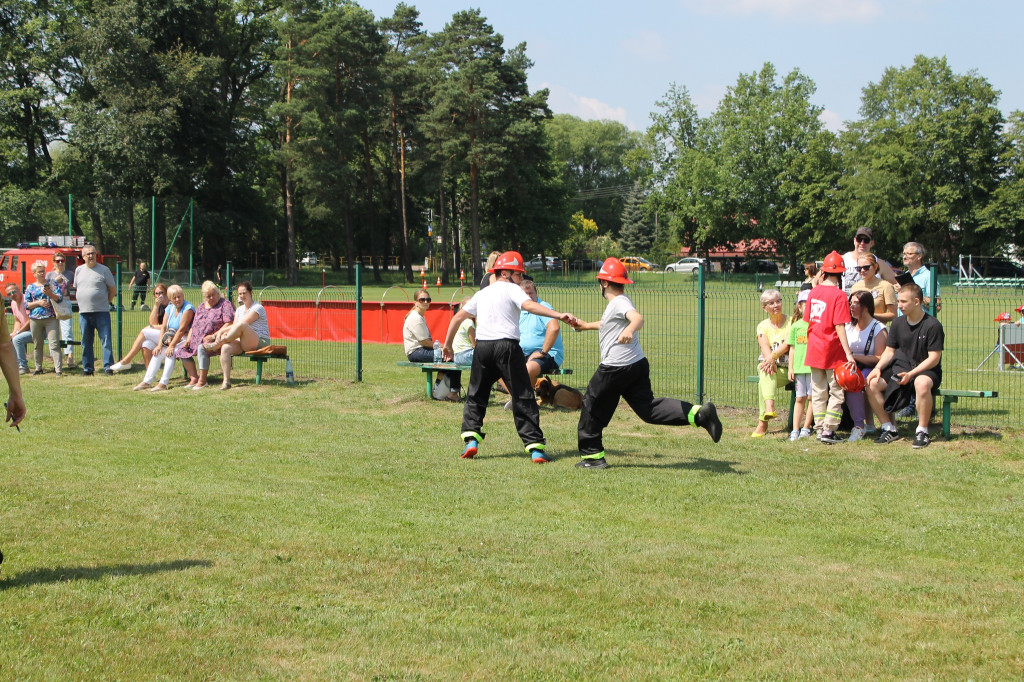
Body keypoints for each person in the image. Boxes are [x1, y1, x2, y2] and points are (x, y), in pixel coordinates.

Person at [568, 257, 722, 468]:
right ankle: (700, 414)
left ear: (603, 283)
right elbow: (607, 324)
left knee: (591, 405)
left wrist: (630, 329)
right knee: (648, 409)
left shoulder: (619, 302)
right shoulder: (620, 301)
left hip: (616, 367)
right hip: (636, 365)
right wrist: (583, 325)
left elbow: (637, 318)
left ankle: (593, 458)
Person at [441, 251, 575, 463]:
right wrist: (558, 315)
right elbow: (529, 305)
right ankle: (536, 449)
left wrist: (447, 345)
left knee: (476, 394)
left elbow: (458, 317)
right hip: (507, 347)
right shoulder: (512, 289)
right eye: (519, 274)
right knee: (523, 395)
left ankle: (471, 440)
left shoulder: (482, 293)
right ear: (505, 272)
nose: (521, 279)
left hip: (483, 348)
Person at [864, 283, 944, 449]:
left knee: (921, 383)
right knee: (871, 382)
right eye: (898, 301)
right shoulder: (898, 323)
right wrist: (878, 368)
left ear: (916, 302)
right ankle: (889, 428)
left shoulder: (933, 325)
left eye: (903, 301)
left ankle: (922, 431)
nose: (899, 305)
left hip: (926, 370)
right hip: (900, 368)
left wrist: (912, 374)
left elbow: (934, 358)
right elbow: (889, 351)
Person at [805, 251, 856, 444]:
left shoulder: (813, 292)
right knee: (836, 390)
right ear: (841, 273)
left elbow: (808, 320)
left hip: (814, 348)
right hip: (832, 349)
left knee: (818, 390)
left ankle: (819, 428)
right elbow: (840, 325)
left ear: (824, 271)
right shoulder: (839, 295)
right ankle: (829, 429)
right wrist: (849, 354)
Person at [202, 281, 272, 390]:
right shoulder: (239, 310)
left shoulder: (258, 308)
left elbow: (242, 324)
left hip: (260, 342)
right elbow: (234, 327)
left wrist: (221, 333)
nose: (242, 296)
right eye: (240, 294)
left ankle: (217, 345)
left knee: (242, 324)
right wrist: (222, 332)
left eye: (244, 293)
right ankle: (226, 381)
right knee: (225, 348)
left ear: (251, 292)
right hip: (243, 342)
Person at [134, 284, 195, 391]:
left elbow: (181, 330)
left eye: (179, 296)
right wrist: (159, 345)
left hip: (186, 338)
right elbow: (164, 327)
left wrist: (171, 346)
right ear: (170, 298)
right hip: (172, 338)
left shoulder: (188, 308)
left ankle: (163, 383)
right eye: (174, 297)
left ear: (183, 296)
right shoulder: (170, 308)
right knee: (158, 352)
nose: (177, 299)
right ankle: (147, 381)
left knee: (170, 352)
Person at [175, 280, 234, 389]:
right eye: (208, 296)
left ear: (218, 293)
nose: (211, 298)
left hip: (215, 340)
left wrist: (214, 335)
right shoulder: (201, 307)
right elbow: (194, 325)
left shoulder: (225, 304)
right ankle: (194, 378)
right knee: (181, 350)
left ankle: (203, 381)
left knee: (202, 348)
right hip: (196, 339)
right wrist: (188, 339)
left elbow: (229, 323)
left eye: (213, 295)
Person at [845, 290, 887, 442]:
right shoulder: (848, 326)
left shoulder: (878, 328)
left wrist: (855, 357)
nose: (852, 306)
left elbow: (880, 358)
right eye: (851, 303)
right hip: (850, 366)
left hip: (871, 366)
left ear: (867, 306)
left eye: (856, 303)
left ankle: (859, 426)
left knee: (853, 382)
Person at [404, 289, 460, 401]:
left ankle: (439, 392)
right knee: (451, 357)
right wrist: (443, 347)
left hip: (420, 351)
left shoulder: (420, 316)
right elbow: (424, 342)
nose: (425, 302)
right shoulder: (416, 318)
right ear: (415, 302)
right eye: (422, 299)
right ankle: (452, 393)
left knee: (449, 357)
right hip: (417, 353)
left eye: (428, 299)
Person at [751, 288, 790, 438]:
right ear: (764, 308)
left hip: (788, 369)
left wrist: (772, 358)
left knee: (763, 377)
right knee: (765, 371)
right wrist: (770, 360)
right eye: (771, 303)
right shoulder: (762, 326)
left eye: (778, 301)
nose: (776, 305)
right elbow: (764, 345)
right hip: (770, 367)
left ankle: (763, 422)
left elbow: (787, 344)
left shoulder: (791, 321)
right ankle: (768, 409)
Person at [74, 244, 117, 375]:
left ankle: (108, 367)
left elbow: (112, 290)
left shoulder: (104, 270)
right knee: (86, 342)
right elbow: (77, 288)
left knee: (106, 341)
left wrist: (105, 302)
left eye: (93, 253)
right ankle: (88, 369)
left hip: (101, 312)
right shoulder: (79, 270)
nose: (91, 256)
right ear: (83, 256)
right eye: (88, 254)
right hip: (84, 313)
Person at [110, 283, 170, 371]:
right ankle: (149, 375)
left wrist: (151, 327)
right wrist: (156, 306)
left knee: (144, 331)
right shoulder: (159, 306)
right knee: (146, 344)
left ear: (166, 292)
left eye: (161, 292)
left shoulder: (171, 305)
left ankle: (126, 361)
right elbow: (153, 322)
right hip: (160, 334)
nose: (159, 295)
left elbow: (168, 326)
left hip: (170, 336)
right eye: (156, 294)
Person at [24, 261, 64, 376]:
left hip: (50, 318)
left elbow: (59, 298)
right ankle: (38, 368)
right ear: (34, 274)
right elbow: (26, 304)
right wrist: (38, 303)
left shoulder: (52, 283)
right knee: (37, 344)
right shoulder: (30, 287)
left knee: (54, 343)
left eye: (43, 271)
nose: (42, 274)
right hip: (35, 319)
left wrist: (50, 294)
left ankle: (58, 369)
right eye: (39, 272)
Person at [786, 288, 814, 441]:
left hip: (813, 368)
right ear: (799, 307)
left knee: (812, 398)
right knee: (799, 398)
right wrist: (791, 367)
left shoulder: (817, 325)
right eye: (804, 304)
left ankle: (806, 428)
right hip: (799, 368)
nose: (807, 308)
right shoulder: (796, 326)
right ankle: (795, 429)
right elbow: (792, 348)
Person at [842, 227, 896, 293]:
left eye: (866, 240)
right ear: (854, 240)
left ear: (872, 243)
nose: (862, 243)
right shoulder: (842, 260)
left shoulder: (879, 263)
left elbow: (898, 283)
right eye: (859, 239)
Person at [46, 252, 75, 368]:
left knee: (67, 329)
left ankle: (69, 356)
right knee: (52, 330)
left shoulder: (69, 274)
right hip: (53, 303)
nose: (60, 263)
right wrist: (54, 281)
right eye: (57, 261)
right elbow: (46, 288)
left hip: (65, 302)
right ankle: (55, 357)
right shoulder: (49, 274)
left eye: (62, 261)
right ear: (53, 262)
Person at [895, 241, 941, 314]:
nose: (904, 257)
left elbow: (937, 306)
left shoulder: (928, 276)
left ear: (919, 256)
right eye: (904, 254)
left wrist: (915, 295)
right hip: (903, 322)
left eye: (909, 254)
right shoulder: (905, 276)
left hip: (921, 323)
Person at [850, 253, 897, 324]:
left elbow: (893, 315)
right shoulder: (855, 287)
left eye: (866, 267)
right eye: (859, 268)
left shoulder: (886, 286)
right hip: (857, 329)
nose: (862, 270)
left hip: (877, 329)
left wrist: (870, 316)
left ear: (875, 267)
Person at [5, 284, 32, 375]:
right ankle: (15, 365)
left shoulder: (26, 300)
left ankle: (23, 366)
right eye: (9, 294)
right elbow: (17, 320)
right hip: (25, 331)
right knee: (9, 338)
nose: (12, 295)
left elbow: (30, 321)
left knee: (17, 339)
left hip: (36, 330)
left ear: (19, 290)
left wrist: (18, 332)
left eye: (14, 292)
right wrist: (13, 333)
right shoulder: (13, 303)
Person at [451, 296, 476, 366]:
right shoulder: (469, 322)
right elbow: (474, 345)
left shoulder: (459, 322)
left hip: (456, 357)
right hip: (466, 355)